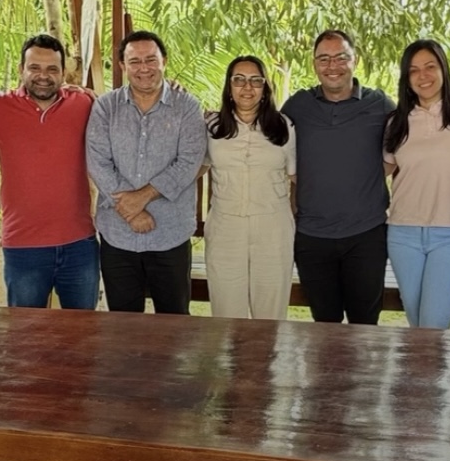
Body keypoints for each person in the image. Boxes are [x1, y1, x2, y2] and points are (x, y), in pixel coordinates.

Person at [85, 30, 206, 314]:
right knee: (123, 324)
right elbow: (98, 161)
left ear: (164, 61)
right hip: (118, 235)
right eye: (135, 61)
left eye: (151, 60)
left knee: (174, 323)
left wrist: (142, 197)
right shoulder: (106, 107)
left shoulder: (187, 107)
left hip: (170, 234)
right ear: (122, 66)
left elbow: (189, 161)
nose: (144, 68)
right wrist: (131, 212)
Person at [280, 30, 395, 324]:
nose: (332, 66)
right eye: (324, 59)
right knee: (324, 327)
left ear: (355, 60)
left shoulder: (380, 105)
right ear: (314, 64)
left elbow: (411, 138)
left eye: (341, 57)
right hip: (312, 236)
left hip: (366, 235)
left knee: (364, 326)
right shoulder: (297, 106)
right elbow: (264, 135)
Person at [0, 34, 98, 309]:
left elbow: (123, 112)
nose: (43, 76)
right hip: (23, 246)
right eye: (34, 67)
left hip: (79, 243)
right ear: (21, 70)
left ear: (63, 73)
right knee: (25, 331)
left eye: (52, 69)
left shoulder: (84, 104)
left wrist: (169, 88)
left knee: (84, 330)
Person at [382, 39, 450, 329]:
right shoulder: (396, 122)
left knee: (433, 326)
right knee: (417, 325)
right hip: (403, 233)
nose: (423, 76)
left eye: (430, 67)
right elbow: (380, 171)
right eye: (414, 70)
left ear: (443, 69)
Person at [202, 56, 297, 320]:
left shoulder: (284, 126)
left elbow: (297, 176)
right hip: (225, 227)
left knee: (270, 315)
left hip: (273, 227)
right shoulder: (212, 126)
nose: (247, 87)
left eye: (256, 80)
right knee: (226, 315)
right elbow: (192, 167)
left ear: (265, 88)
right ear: (229, 87)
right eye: (239, 80)